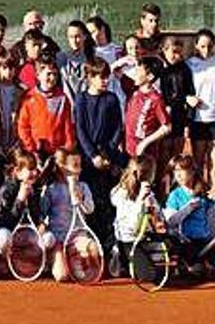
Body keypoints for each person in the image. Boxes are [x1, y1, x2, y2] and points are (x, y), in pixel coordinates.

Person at [74, 57, 124, 252]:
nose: (105, 81)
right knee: (91, 203)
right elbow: (80, 130)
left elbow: (117, 128)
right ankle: (93, 245)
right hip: (88, 161)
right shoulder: (81, 99)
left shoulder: (111, 99)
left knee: (108, 203)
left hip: (108, 160)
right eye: (100, 77)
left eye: (106, 77)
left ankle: (110, 245)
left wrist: (107, 154)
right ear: (89, 77)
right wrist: (93, 155)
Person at [41, 149, 95, 282]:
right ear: (62, 167)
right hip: (59, 239)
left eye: (80, 165)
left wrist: (80, 197)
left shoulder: (83, 187)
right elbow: (42, 212)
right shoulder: (52, 189)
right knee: (62, 276)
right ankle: (52, 259)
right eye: (75, 166)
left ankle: (75, 259)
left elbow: (89, 210)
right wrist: (42, 193)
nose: (79, 170)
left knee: (93, 249)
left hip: (78, 237)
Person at [164, 155, 215, 274]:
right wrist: (188, 208)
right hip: (186, 241)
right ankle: (184, 263)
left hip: (205, 241)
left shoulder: (204, 192)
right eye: (176, 171)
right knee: (198, 271)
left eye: (182, 170)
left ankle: (191, 263)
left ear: (192, 171)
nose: (178, 175)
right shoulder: (175, 195)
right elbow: (171, 221)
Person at [186, 29, 215, 196]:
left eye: (209, 46)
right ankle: (199, 194)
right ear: (196, 45)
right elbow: (183, 88)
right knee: (199, 162)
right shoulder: (190, 64)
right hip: (198, 119)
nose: (206, 49)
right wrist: (188, 98)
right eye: (202, 46)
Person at [125, 56, 171, 197]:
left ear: (150, 76)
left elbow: (167, 126)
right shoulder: (135, 93)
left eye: (139, 70)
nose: (135, 72)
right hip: (129, 149)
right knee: (129, 185)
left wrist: (144, 143)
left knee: (143, 187)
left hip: (145, 155)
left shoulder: (155, 99)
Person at [17, 56, 74, 158]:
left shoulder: (62, 98)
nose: (52, 78)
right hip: (35, 151)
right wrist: (31, 147)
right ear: (38, 75)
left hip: (57, 152)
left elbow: (67, 125)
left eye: (55, 74)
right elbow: (23, 126)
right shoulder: (29, 98)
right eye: (48, 74)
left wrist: (68, 146)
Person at [0, 150, 44, 263]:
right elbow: (2, 222)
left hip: (25, 234)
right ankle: (2, 261)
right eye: (30, 169)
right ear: (18, 171)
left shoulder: (35, 188)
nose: (35, 172)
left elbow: (36, 218)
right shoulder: (6, 189)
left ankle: (19, 261)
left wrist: (41, 223)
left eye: (35, 168)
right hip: (9, 233)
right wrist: (20, 200)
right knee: (3, 239)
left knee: (47, 239)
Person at [110, 157, 158, 277]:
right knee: (150, 275)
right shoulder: (121, 193)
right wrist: (140, 201)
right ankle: (119, 256)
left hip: (144, 238)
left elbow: (157, 218)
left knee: (171, 246)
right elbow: (132, 226)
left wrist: (153, 208)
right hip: (128, 240)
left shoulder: (148, 192)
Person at [160, 36, 195, 160]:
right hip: (162, 116)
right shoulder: (158, 68)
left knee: (177, 153)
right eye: (174, 52)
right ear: (164, 50)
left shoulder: (184, 69)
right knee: (164, 152)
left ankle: (174, 178)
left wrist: (187, 122)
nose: (178, 56)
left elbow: (190, 93)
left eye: (180, 52)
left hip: (179, 115)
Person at [60, 20, 94, 103]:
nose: (74, 41)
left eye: (77, 36)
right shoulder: (61, 59)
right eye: (71, 37)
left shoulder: (93, 59)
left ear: (85, 36)